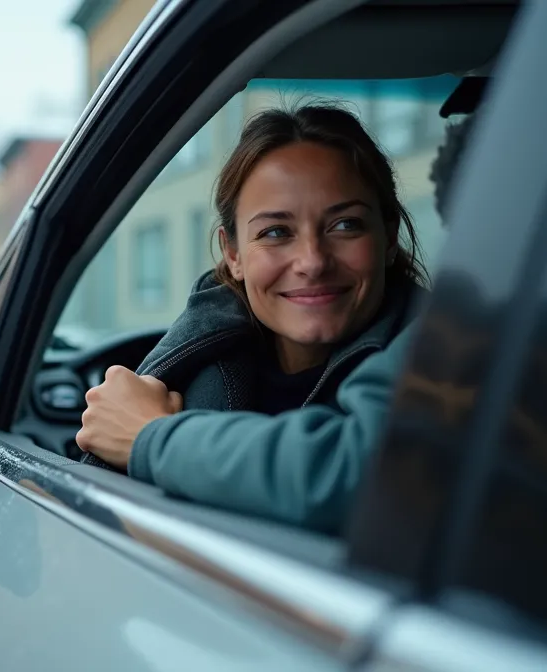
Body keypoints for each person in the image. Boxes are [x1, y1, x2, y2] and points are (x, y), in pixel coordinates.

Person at [75, 101, 479, 531]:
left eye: (345, 225)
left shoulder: (451, 351)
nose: (312, 261)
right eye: (275, 232)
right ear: (233, 254)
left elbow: (363, 473)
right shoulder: (194, 356)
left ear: (388, 235)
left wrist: (150, 437)